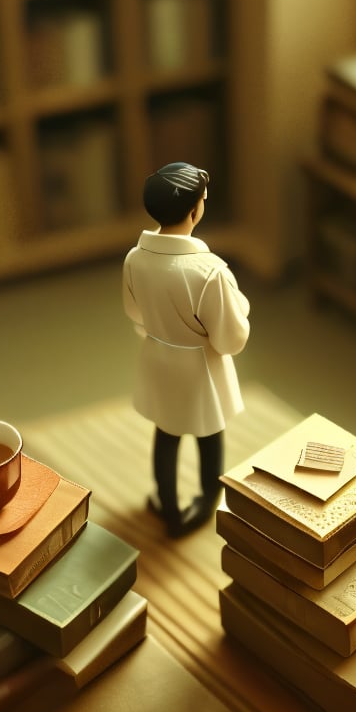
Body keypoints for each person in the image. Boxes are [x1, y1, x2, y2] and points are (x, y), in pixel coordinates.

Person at [122, 162, 250, 537]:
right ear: (195, 210)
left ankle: (168, 502)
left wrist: (159, 330)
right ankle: (206, 498)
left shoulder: (135, 258)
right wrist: (240, 310)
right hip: (200, 366)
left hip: (158, 356)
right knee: (209, 432)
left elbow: (135, 313)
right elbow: (231, 339)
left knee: (167, 431)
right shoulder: (209, 271)